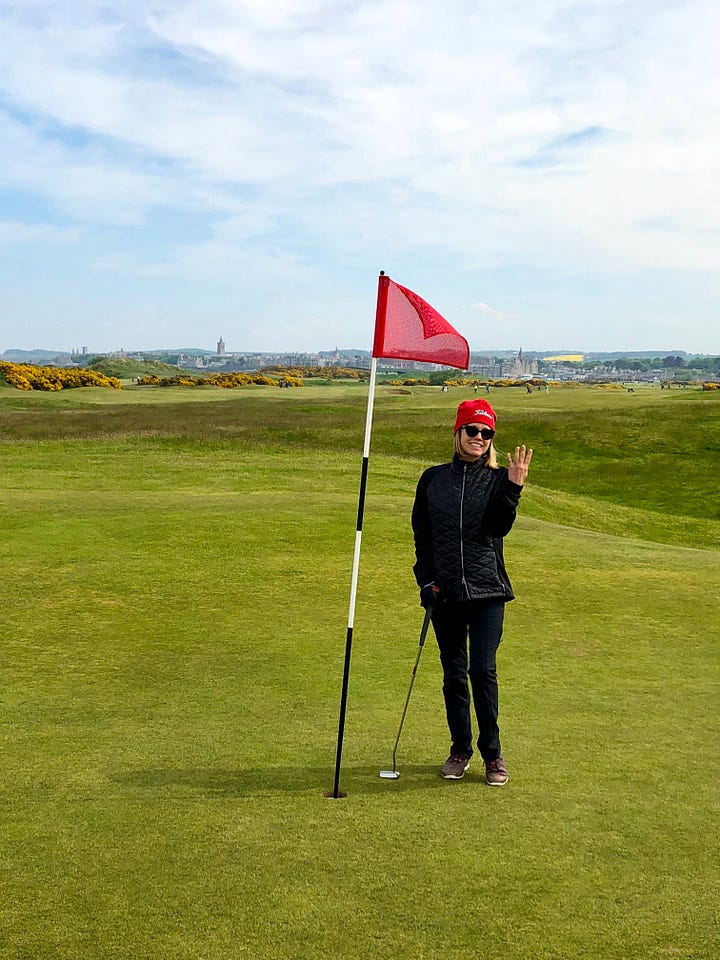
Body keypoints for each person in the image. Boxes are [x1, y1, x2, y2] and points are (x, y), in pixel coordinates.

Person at [411, 399, 533, 785]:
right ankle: (460, 749)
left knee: (482, 670)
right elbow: (423, 537)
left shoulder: (499, 480)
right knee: (454, 674)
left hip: (487, 590)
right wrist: (426, 581)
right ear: (458, 431)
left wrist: (513, 488)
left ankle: (492, 755)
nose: (479, 437)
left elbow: (497, 528)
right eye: (472, 430)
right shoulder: (432, 480)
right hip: (445, 593)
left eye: (486, 432)